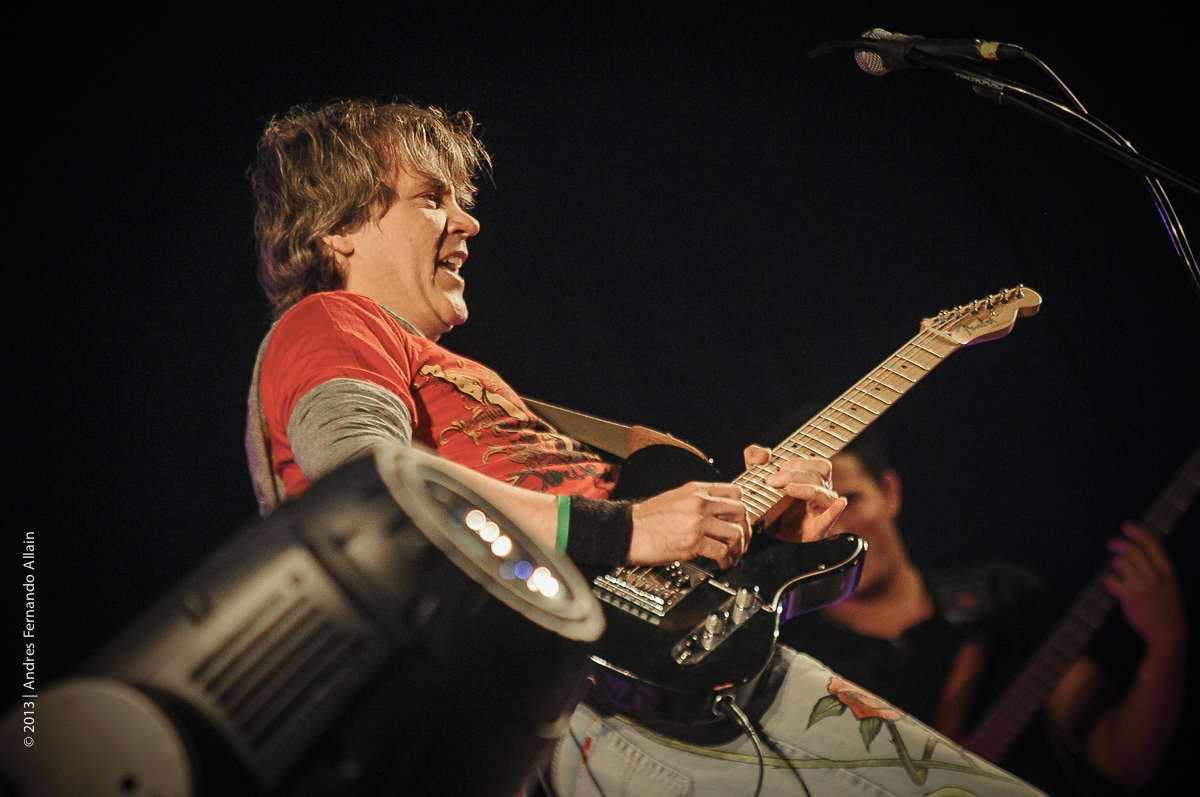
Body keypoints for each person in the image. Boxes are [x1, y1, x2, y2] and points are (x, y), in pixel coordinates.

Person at [244, 97, 1053, 796]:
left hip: (673, 673)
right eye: (431, 199)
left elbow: (612, 538)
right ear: (339, 228)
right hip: (587, 697)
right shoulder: (330, 323)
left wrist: (753, 538)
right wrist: (631, 528)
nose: (468, 221)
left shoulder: (449, 372)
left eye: (461, 200)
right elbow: (373, 488)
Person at [775, 428, 1188, 795]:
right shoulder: (797, 671)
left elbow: (1123, 760)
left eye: (848, 500)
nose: (836, 528)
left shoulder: (1000, 594)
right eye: (814, 514)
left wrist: (1166, 644)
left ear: (890, 491)